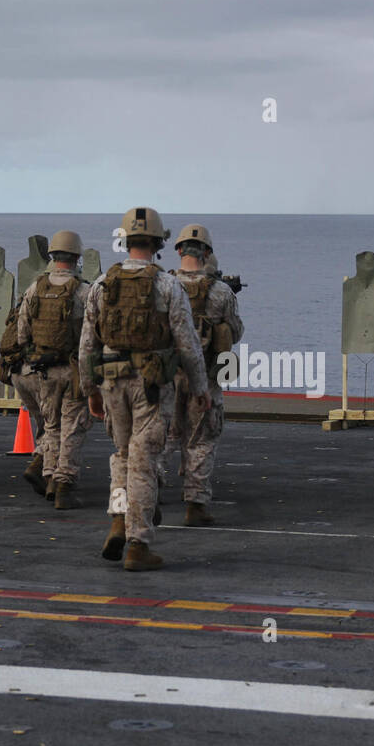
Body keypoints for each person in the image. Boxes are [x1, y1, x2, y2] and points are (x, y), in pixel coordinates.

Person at [79, 207, 210, 571]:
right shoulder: (167, 285)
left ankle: (119, 519)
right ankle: (138, 542)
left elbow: (86, 344)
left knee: (122, 454)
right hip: (151, 386)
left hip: (111, 381)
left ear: (125, 240)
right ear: (158, 243)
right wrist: (200, 387)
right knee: (144, 460)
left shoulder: (102, 285)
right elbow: (187, 343)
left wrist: (90, 388)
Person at [163, 224, 243, 526]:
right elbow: (234, 332)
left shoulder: (164, 285)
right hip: (206, 378)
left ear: (179, 250)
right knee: (202, 439)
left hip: (168, 375)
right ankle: (195, 503)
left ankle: (151, 487)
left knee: (165, 436)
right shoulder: (221, 292)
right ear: (207, 253)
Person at [13, 231, 92, 508]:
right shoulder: (84, 291)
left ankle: (48, 476)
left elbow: (21, 334)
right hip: (73, 370)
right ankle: (64, 485)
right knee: (73, 427)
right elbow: (91, 337)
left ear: (53, 256)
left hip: (42, 370)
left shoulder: (35, 288)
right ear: (76, 257)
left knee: (51, 425)